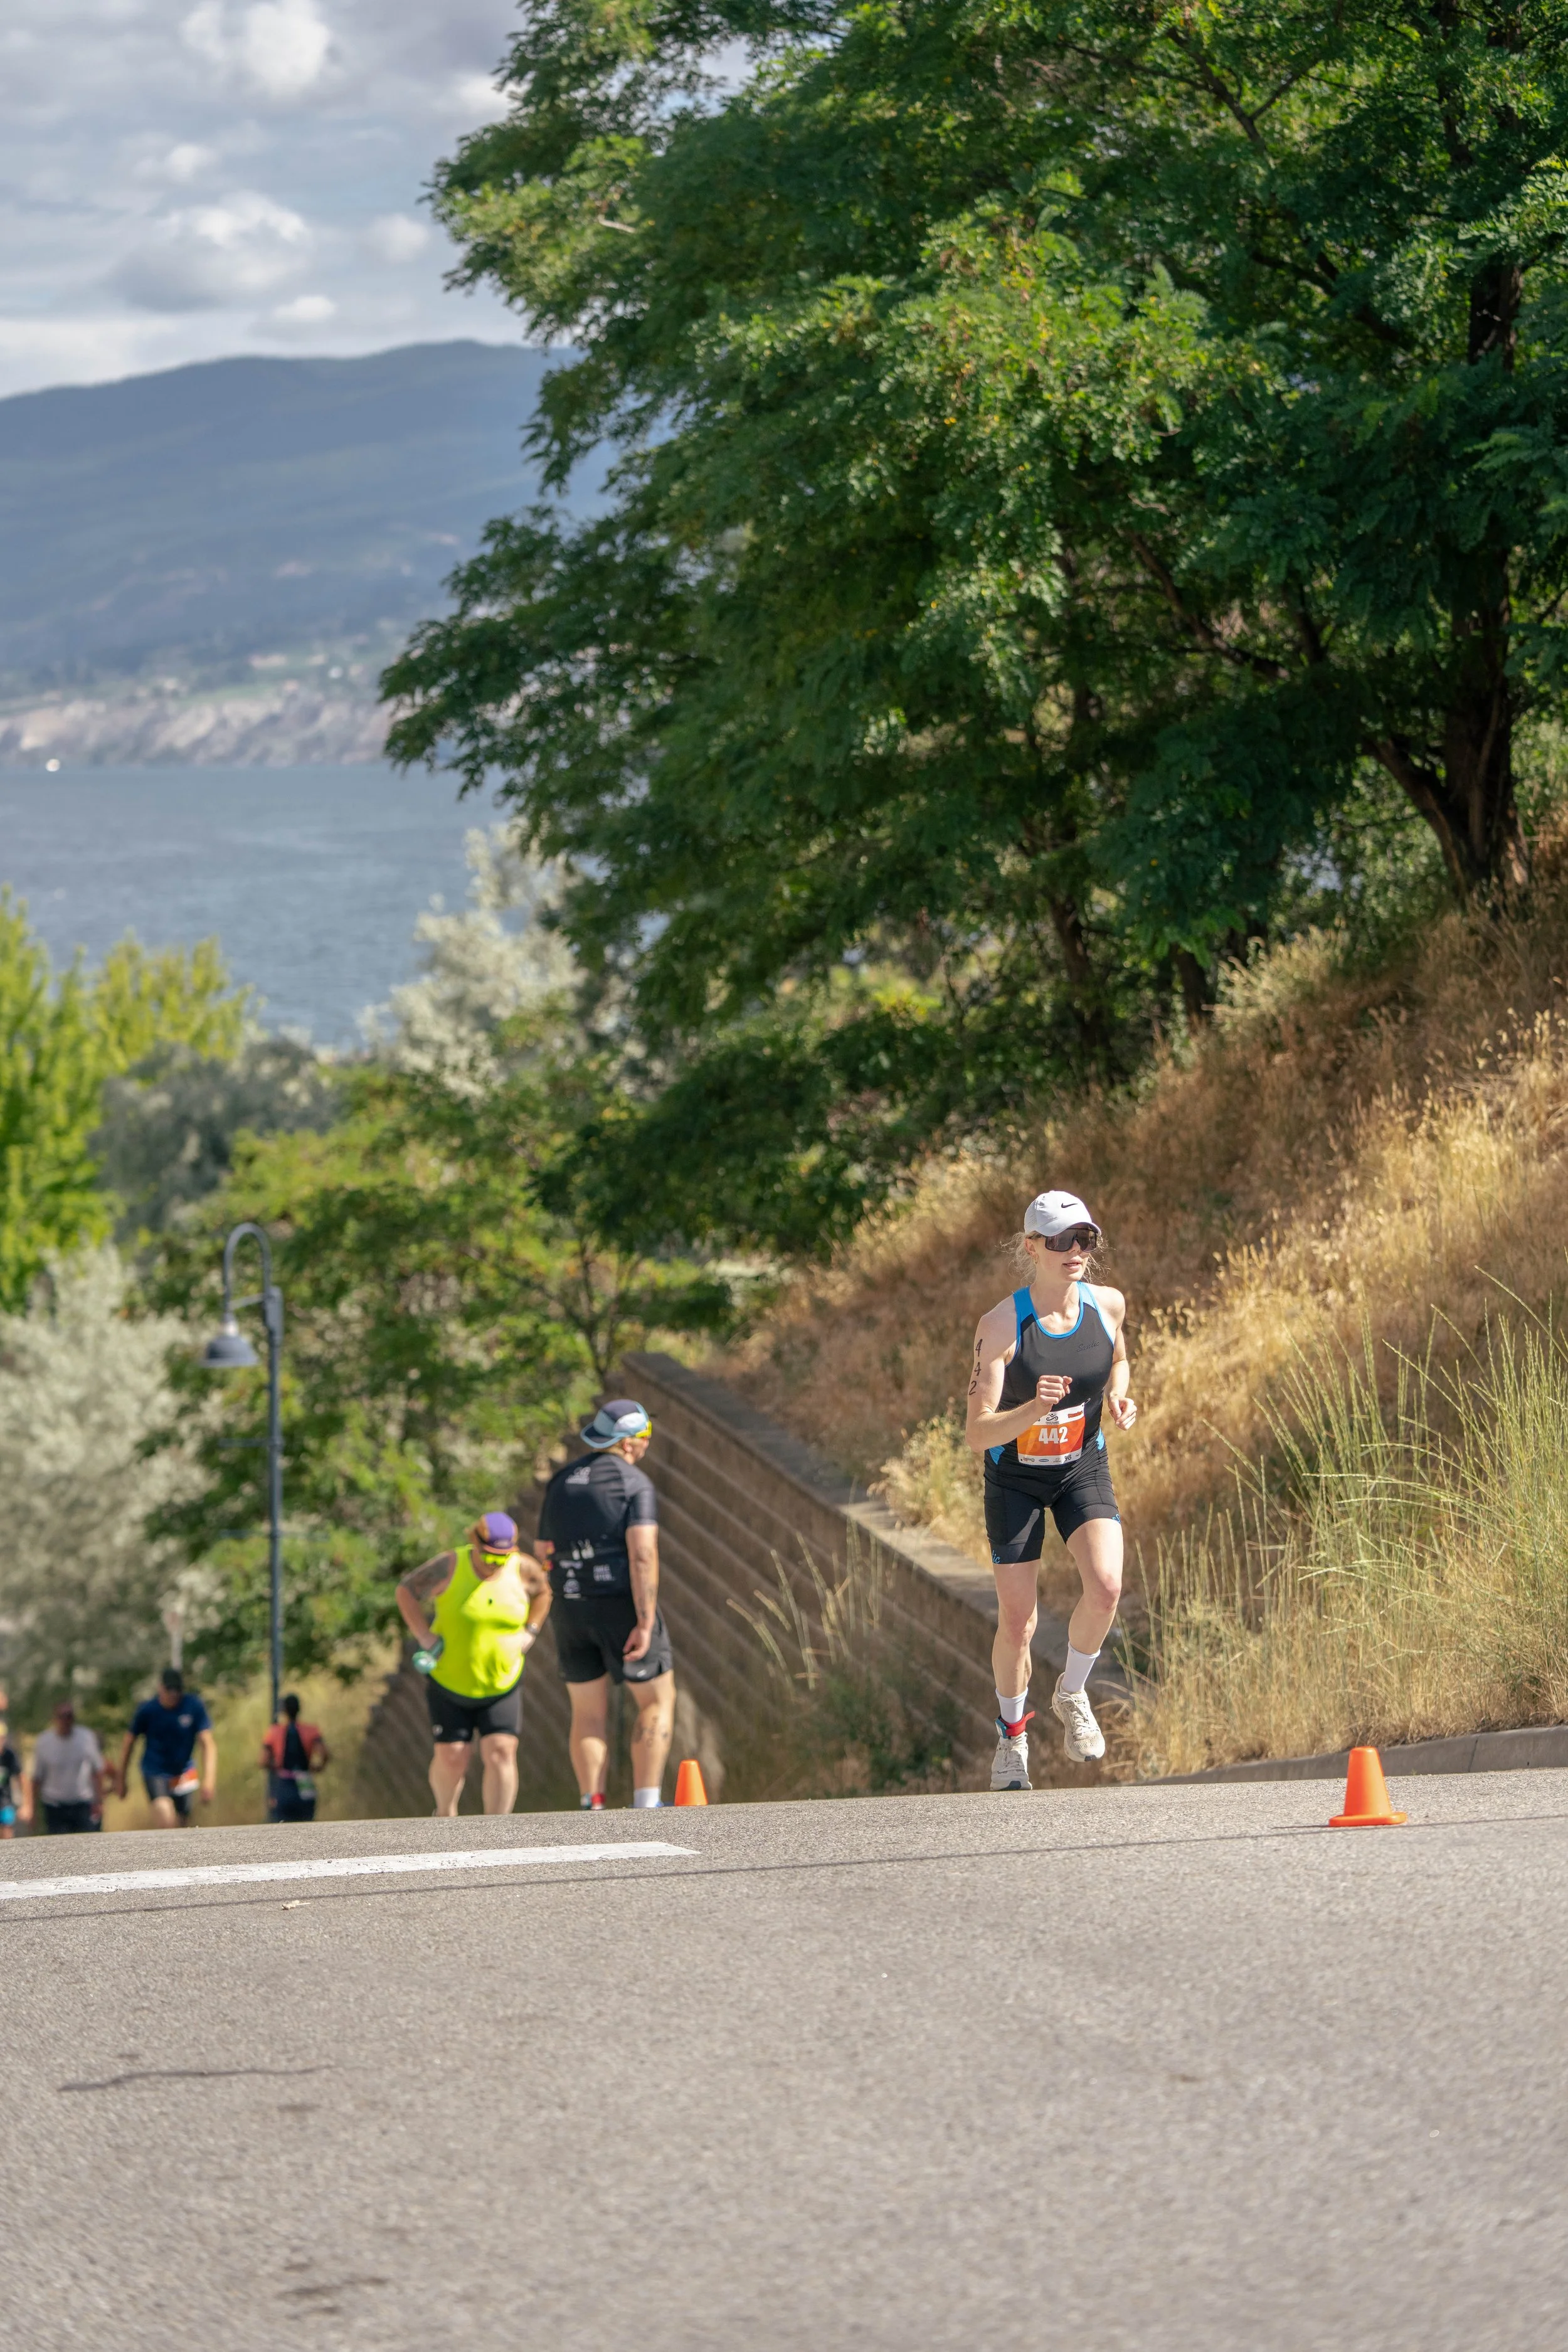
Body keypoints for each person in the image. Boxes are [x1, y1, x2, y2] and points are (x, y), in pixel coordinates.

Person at [965, 1190, 1138, 1789]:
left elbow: (1116, 1361)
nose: (1075, 1252)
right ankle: (1012, 1739)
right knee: (1018, 1622)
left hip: (1080, 1468)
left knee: (1108, 1585)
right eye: (1061, 1241)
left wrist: (1119, 1395)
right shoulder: (1001, 1326)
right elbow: (975, 1431)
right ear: (1031, 1247)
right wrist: (1032, 1412)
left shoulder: (1108, 1305)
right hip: (1014, 1478)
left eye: (1084, 1239)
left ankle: (1071, 1694)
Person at [534, 1398, 677, 1811]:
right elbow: (643, 1554)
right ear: (629, 1440)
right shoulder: (634, 1484)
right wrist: (646, 1622)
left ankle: (591, 1801)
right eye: (646, 1435)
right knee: (655, 1700)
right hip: (620, 1605)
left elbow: (544, 1549)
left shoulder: (560, 1481)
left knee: (587, 1713)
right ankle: (647, 1802)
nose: (647, 1444)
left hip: (570, 1608)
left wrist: (568, 1591)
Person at [396, 1511, 551, 1817]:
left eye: (503, 1558)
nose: (496, 1565)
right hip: (450, 1681)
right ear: (475, 1543)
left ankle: (497, 1829)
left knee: (502, 1751)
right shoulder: (450, 1565)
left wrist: (531, 1630)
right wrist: (424, 1636)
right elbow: (406, 1591)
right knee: (453, 1755)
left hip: (501, 1681)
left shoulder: (522, 1569)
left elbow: (544, 1591)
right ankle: (445, 1813)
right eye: (490, 1557)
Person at [115, 1667, 216, 1826]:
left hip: (184, 1771)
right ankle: (169, 1849)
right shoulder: (148, 1710)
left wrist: (209, 1780)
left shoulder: (194, 1706)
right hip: (156, 1770)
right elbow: (129, 1742)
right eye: (169, 1689)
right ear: (161, 1688)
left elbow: (208, 1743)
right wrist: (121, 1779)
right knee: (166, 1817)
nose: (174, 1694)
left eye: (178, 1689)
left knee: (184, 1824)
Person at [28, 1699, 107, 1833]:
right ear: (54, 1719)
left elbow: (97, 1771)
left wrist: (99, 1802)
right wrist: (33, 1810)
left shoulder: (86, 1738)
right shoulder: (44, 1742)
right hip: (55, 1806)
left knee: (90, 1847)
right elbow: (37, 1778)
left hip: (82, 1804)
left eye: (69, 1716)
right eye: (61, 1716)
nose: (65, 1720)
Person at [260, 1694, 329, 1823]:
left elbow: (263, 1760)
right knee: (307, 1822)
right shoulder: (311, 1730)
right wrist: (318, 1767)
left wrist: (276, 1768)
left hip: (285, 1783)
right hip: (305, 1780)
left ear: (284, 1711)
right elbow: (324, 1753)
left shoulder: (275, 1731)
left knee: (283, 1824)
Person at [0, 1688, 27, 1837]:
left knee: (7, 1832)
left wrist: (25, 1804)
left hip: (5, 1799)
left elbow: (21, 1775)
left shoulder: (10, 1753)